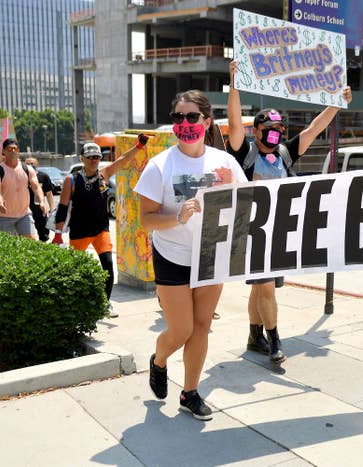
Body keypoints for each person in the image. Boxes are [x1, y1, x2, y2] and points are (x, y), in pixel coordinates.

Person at [227, 59, 353, 364]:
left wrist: (336, 104)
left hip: (279, 232)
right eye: (269, 127)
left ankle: (254, 335)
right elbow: (232, 122)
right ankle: (274, 342)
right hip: (253, 233)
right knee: (266, 287)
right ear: (256, 129)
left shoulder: (284, 153)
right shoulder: (245, 151)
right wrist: (234, 84)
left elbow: (313, 129)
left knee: (261, 289)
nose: (275, 132)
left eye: (280, 127)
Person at [135, 90, 247, 421]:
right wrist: (178, 217)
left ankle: (190, 392)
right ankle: (159, 359)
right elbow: (146, 219)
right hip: (172, 254)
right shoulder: (159, 166)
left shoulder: (224, 162)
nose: (185, 123)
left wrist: (231, 190)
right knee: (181, 329)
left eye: (192, 117)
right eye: (178, 117)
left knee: (201, 327)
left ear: (207, 121)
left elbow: (245, 208)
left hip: (212, 254)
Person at [54, 136, 148, 317]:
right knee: (74, 270)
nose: (94, 160)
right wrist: (58, 233)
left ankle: (105, 303)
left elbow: (123, 160)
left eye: (97, 157)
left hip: (101, 230)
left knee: (108, 265)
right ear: (82, 159)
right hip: (80, 231)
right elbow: (63, 207)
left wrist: (138, 146)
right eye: (90, 157)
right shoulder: (71, 180)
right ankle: (73, 302)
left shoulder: (104, 175)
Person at [0, 139, 47, 238]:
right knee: (9, 247)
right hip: (4, 216)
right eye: (9, 149)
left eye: (15, 149)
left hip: (24, 214)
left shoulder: (28, 169)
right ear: (3, 151)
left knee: (31, 241)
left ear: (18, 151)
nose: (13, 151)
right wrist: (0, 202)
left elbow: (36, 186)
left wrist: (42, 201)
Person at [25, 157, 55, 242]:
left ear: (37, 165)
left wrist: (51, 209)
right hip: (26, 209)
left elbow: (49, 194)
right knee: (27, 233)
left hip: (40, 208)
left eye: (32, 164)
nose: (31, 166)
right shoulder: (23, 177)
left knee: (44, 233)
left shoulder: (43, 176)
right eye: (28, 164)